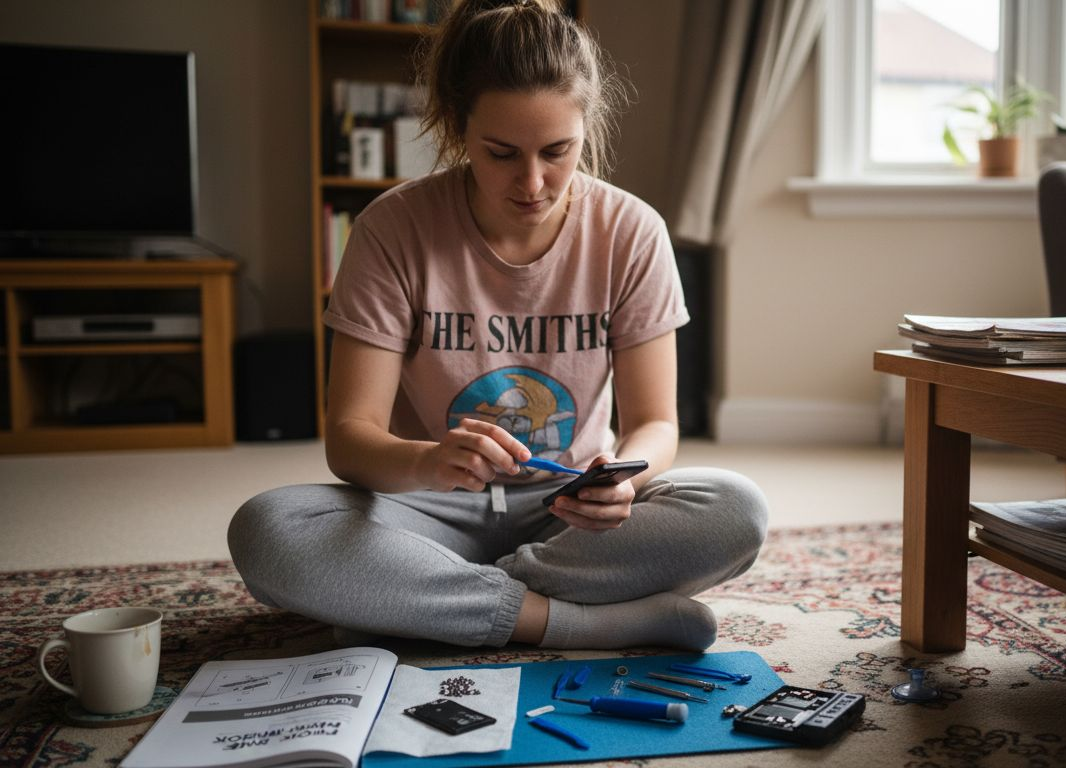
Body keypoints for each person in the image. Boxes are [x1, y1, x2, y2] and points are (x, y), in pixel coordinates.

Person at [228, 0, 768, 651]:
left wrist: (624, 475)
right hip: (426, 507)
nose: (534, 182)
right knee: (268, 529)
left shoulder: (632, 232)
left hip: (569, 513)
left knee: (735, 509)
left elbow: (657, 424)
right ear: (458, 128)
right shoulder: (391, 230)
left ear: (586, 129)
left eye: (557, 152)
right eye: (502, 153)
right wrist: (429, 461)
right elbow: (349, 440)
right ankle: (575, 623)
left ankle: (425, 602)